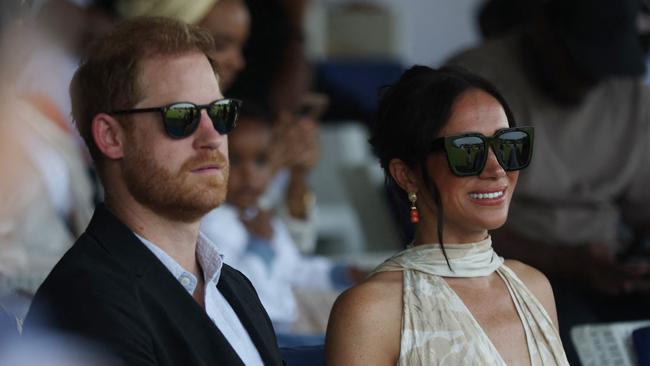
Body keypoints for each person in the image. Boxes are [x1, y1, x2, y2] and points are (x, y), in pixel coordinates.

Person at [24, 17, 283, 365]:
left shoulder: (234, 287)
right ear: (111, 137)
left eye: (220, 113)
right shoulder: (83, 302)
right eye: (181, 117)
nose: (211, 138)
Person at [447, 0, 650, 363]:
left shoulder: (626, 90)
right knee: (572, 343)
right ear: (542, 29)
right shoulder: (473, 86)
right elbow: (452, 221)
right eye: (582, 60)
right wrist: (565, 260)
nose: (592, 77)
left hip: (607, 268)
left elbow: (642, 209)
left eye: (606, 65)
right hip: (507, 268)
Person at [325, 66, 569, 365]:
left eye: (507, 145)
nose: (496, 169)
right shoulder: (372, 310)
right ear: (406, 175)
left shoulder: (534, 286)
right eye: (467, 150)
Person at [200, 104, 356, 343]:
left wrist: (340, 273)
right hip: (254, 333)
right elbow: (239, 290)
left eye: (261, 161)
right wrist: (259, 246)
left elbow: (293, 268)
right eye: (236, 161)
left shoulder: (260, 215)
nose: (250, 174)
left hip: (284, 327)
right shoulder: (211, 222)